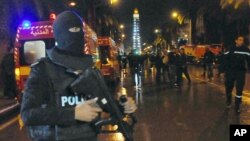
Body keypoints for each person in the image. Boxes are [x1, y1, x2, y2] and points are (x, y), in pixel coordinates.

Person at [20, 11, 137, 141]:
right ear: (59, 34)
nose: (75, 36)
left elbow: (103, 102)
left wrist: (122, 107)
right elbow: (28, 114)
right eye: (71, 30)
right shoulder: (43, 69)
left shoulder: (89, 68)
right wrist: (73, 113)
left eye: (78, 30)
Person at [223, 36, 250, 113]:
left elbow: (249, 61)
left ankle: (237, 106)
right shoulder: (230, 48)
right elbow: (224, 58)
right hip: (230, 71)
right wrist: (222, 70)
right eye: (240, 40)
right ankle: (228, 100)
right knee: (229, 87)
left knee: (239, 88)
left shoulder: (246, 50)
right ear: (236, 41)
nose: (241, 41)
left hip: (240, 72)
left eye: (242, 40)